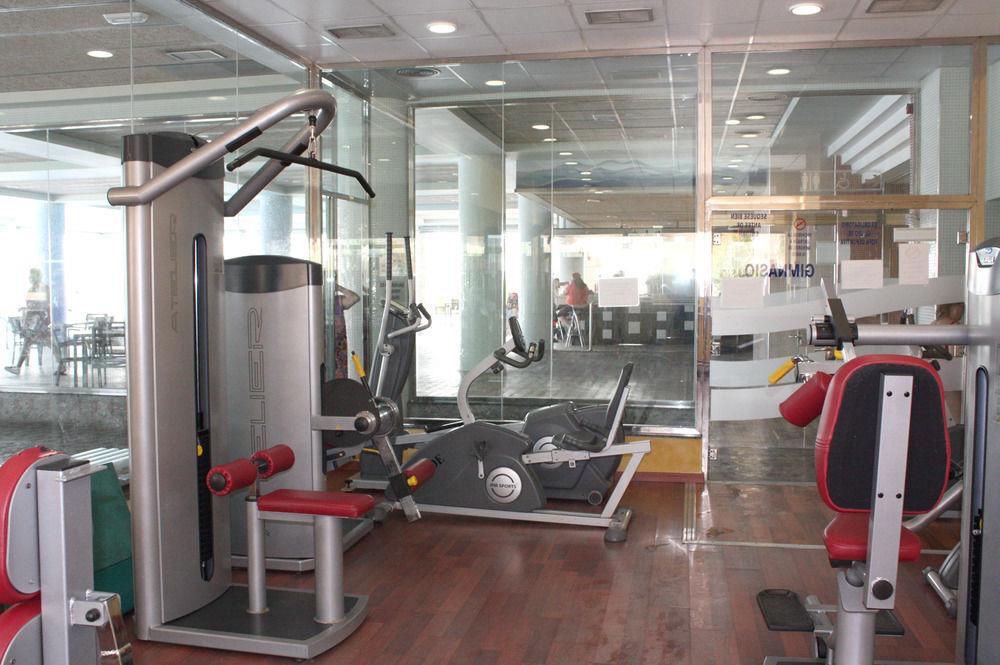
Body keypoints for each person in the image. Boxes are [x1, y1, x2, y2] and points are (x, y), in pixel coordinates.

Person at [6, 269, 52, 376]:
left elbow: (44, 305)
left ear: (36, 276)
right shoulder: (33, 288)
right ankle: (18, 367)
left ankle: (18, 367)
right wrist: (27, 309)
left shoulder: (43, 288)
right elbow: (31, 304)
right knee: (47, 342)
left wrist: (32, 310)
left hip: (39, 321)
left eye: (31, 276)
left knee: (46, 342)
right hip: (34, 321)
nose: (29, 278)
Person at [332, 284, 360, 379]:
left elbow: (354, 298)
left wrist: (338, 287)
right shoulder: (311, 303)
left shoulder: (336, 301)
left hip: (338, 352)